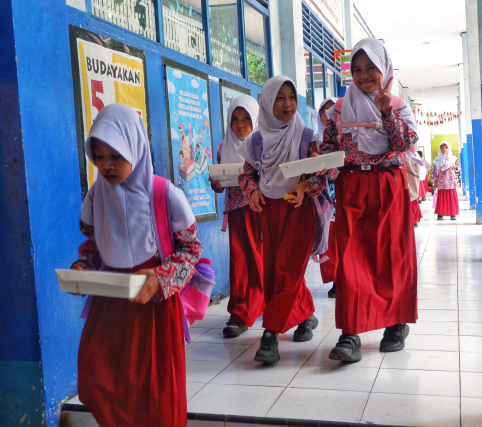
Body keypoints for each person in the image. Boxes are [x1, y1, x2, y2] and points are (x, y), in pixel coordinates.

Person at [71, 103, 202, 427]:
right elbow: (92, 244)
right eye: (99, 156)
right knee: (95, 379)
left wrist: (161, 277)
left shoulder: (164, 194)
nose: (106, 166)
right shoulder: (96, 197)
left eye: (115, 156)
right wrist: (82, 268)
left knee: (155, 393)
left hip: (154, 306)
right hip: (111, 304)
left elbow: (191, 250)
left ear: (135, 146)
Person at [320, 38, 418, 362]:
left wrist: (387, 110)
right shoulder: (339, 107)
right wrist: (316, 165)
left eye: (370, 68)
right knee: (349, 261)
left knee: (391, 256)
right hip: (350, 185)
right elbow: (329, 146)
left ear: (384, 68)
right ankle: (349, 334)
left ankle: (396, 322)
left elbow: (405, 143)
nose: (363, 76)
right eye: (356, 69)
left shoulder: (398, 104)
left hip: (387, 185)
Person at [238, 75, 327, 364]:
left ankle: (270, 334)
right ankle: (305, 314)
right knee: (274, 271)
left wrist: (306, 187)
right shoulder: (257, 140)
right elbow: (246, 174)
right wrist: (251, 192)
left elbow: (323, 172)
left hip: (298, 209)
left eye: (292, 97)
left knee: (288, 269)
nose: (287, 104)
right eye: (279, 97)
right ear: (267, 102)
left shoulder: (306, 136)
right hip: (270, 212)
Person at [209, 95, 263, 337]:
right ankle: (239, 313)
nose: (240, 124)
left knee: (261, 260)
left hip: (259, 210)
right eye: (235, 119)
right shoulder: (223, 147)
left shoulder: (262, 144)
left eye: (246, 118)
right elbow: (222, 186)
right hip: (236, 212)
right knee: (240, 263)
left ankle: (270, 306)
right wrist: (215, 183)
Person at [316, 97, 339, 298]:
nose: (328, 116)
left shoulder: (345, 136)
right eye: (324, 112)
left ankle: (347, 277)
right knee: (327, 239)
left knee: (343, 238)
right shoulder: (314, 141)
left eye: (333, 111)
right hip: (322, 198)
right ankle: (334, 280)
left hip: (343, 196)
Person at [432, 141, 461, 220]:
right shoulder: (437, 160)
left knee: (451, 198)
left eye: (445, 148)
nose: (444, 149)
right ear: (440, 149)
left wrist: (454, 166)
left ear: (448, 149)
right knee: (441, 199)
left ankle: (453, 214)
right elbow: (434, 172)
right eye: (442, 148)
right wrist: (434, 183)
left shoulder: (453, 158)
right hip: (440, 183)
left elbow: (459, 168)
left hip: (450, 182)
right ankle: (440, 214)